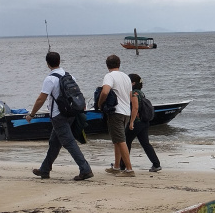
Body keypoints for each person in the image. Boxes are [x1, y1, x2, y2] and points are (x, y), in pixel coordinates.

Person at [27, 52, 94, 181]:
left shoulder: (50, 79)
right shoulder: (69, 76)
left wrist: (31, 114)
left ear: (47, 64)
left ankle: (85, 169)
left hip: (58, 116)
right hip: (70, 113)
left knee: (69, 143)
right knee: (54, 143)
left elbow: (41, 99)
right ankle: (44, 170)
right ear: (59, 61)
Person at [97, 54, 137, 177]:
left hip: (116, 112)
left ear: (107, 65)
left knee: (120, 140)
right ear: (119, 64)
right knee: (117, 140)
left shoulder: (109, 76)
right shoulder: (126, 77)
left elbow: (105, 91)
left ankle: (129, 169)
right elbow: (130, 96)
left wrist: (100, 103)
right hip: (126, 112)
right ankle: (116, 166)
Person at [126, 73, 162, 172]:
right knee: (145, 144)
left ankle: (123, 164)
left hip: (137, 122)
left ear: (133, 83)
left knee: (125, 142)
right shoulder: (141, 93)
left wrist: (131, 122)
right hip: (144, 122)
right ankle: (156, 164)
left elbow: (135, 108)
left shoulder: (134, 94)